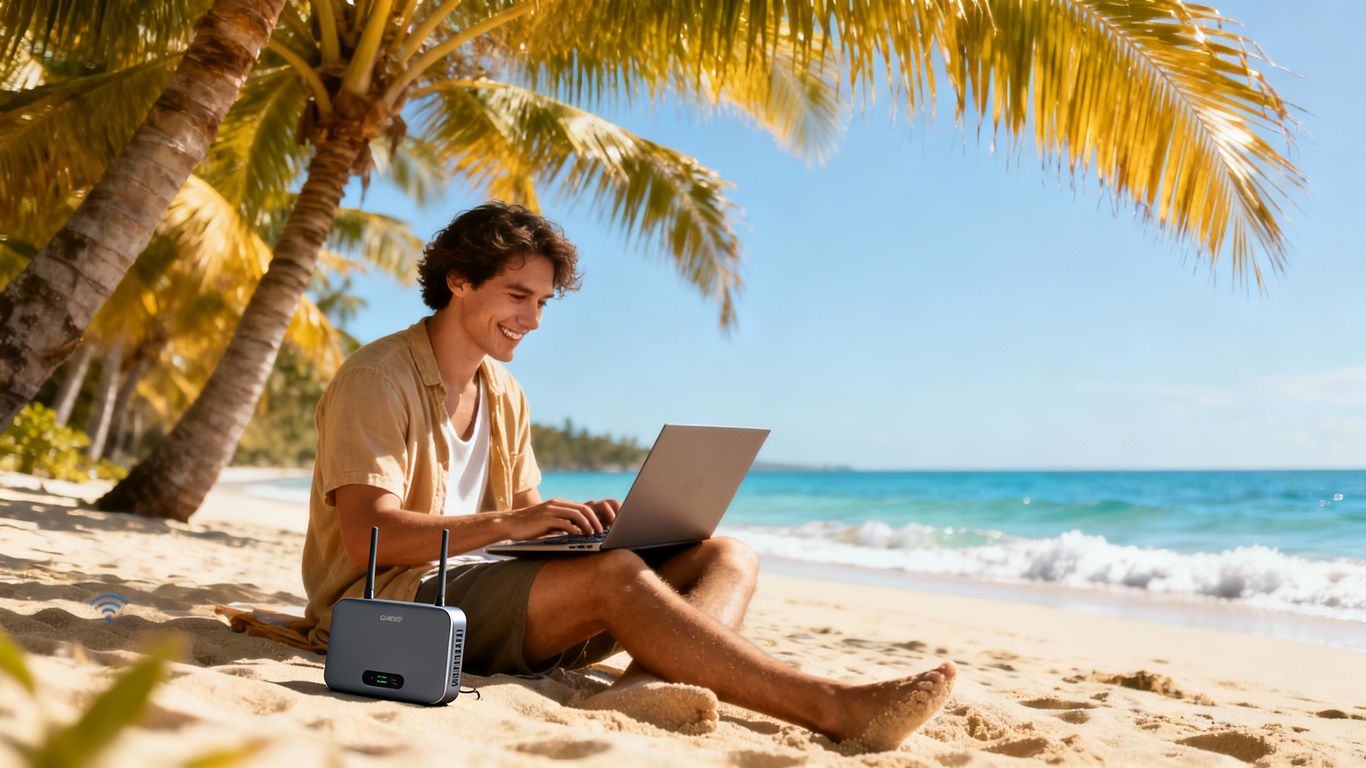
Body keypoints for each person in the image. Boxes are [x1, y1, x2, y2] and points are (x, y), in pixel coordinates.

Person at [301, 202, 955, 750]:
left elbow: (528, 521)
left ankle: (645, 683)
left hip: (486, 594)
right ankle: (831, 705)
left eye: (542, 302)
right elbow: (368, 539)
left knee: (727, 554)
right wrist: (515, 523)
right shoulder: (377, 377)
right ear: (458, 281)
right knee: (617, 576)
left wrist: (580, 527)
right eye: (518, 296)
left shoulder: (504, 392)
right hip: (397, 607)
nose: (533, 319)